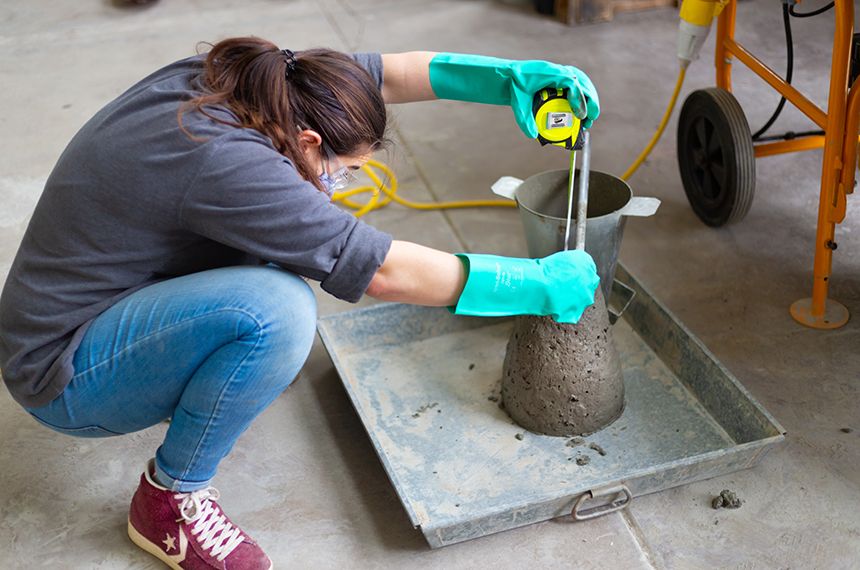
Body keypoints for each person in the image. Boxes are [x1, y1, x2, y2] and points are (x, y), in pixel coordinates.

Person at [0, 37, 600, 569]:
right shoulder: (230, 165)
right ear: (310, 140)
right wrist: (534, 284)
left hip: (95, 298)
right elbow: (384, 272)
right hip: (64, 370)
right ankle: (170, 502)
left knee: (290, 244)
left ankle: (213, 368)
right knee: (279, 310)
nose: (347, 180)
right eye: (349, 167)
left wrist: (506, 78)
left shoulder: (251, 80)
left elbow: (388, 76)